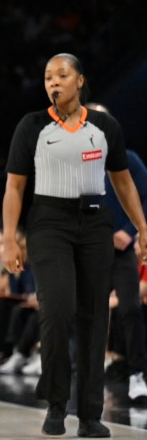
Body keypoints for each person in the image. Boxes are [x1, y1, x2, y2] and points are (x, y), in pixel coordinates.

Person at [1, 53, 147, 438]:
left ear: (80, 81)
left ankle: (89, 414)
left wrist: (142, 228)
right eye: (48, 76)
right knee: (58, 309)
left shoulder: (104, 127)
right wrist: (8, 238)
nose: (53, 82)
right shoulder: (31, 126)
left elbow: (123, 182)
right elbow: (14, 187)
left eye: (62, 75)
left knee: (94, 316)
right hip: (48, 223)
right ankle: (54, 403)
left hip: (95, 221)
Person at [86, 103, 147, 402]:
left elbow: (145, 197)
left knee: (130, 309)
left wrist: (130, 230)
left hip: (121, 253)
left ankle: (138, 374)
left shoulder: (129, 160)